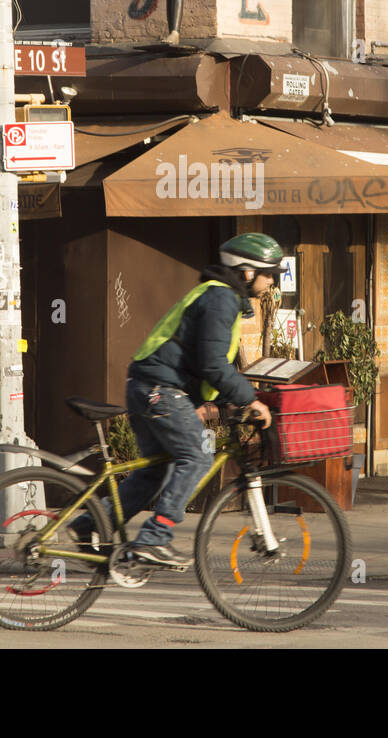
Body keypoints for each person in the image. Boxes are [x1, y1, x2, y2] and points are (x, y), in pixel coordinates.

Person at [71, 233, 280, 570]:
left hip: (151, 386)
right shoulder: (220, 299)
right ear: (246, 272)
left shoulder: (219, 297)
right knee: (197, 456)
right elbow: (213, 363)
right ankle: (155, 538)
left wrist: (212, 402)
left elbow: (193, 357)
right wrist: (248, 399)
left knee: (153, 473)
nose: (273, 281)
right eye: (270, 273)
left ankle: (91, 523)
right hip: (159, 390)